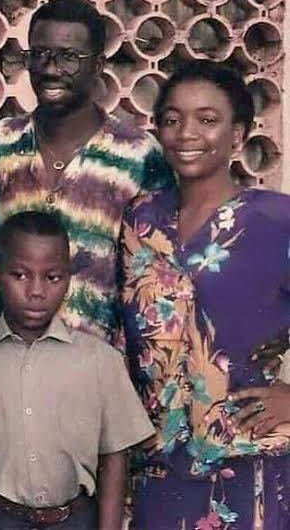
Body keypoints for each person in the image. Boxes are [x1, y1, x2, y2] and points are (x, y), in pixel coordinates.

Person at [119, 60, 290, 528]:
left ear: (238, 135)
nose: (186, 133)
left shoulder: (276, 222)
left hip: (248, 460)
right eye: (172, 119)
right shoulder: (141, 219)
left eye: (207, 119)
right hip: (154, 464)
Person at [0, 211, 154, 530]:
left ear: (69, 281)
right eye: (20, 275)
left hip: (77, 520)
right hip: (0, 520)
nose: (36, 291)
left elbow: (114, 464)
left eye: (52, 277)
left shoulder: (101, 361)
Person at [0, 0, 174, 343]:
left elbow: (151, 279)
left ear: (98, 65)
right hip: (4, 357)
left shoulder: (139, 156)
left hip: (96, 362)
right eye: (40, 54)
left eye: (69, 57)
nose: (50, 69)